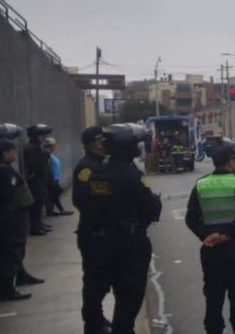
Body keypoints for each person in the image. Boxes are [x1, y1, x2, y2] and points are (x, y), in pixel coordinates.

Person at [78, 123, 162, 334]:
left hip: (104, 242)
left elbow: (90, 204)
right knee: (130, 294)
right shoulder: (131, 175)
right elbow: (150, 208)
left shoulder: (98, 173)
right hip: (130, 244)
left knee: (111, 287)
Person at [185, 145, 235, 334]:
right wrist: (225, 234)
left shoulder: (200, 184)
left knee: (213, 298)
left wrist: (207, 235)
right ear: (231, 162)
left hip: (211, 250)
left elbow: (191, 219)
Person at [0, 138, 41, 301]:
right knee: (9, 253)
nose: (15, 153)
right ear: (5, 154)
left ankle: (0, 287)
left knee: (0, 252)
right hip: (7, 218)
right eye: (12, 150)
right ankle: (7, 290)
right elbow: (7, 194)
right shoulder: (3, 171)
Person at [72, 126, 113, 334]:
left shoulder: (100, 163)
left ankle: (97, 318)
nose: (104, 142)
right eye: (101, 139)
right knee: (95, 281)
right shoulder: (86, 167)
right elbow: (80, 199)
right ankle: (92, 323)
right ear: (94, 143)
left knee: (102, 281)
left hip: (101, 233)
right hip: (93, 233)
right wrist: (100, 219)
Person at [23, 123, 53, 236]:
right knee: (36, 203)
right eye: (41, 136)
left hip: (41, 178)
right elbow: (33, 164)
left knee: (40, 202)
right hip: (35, 179)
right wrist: (44, 156)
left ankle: (39, 223)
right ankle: (34, 227)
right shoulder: (31, 148)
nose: (44, 138)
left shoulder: (37, 147)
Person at [44, 137, 72, 216]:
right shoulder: (47, 156)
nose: (55, 147)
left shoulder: (50, 155)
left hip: (55, 178)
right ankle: (54, 210)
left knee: (53, 195)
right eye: (53, 145)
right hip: (52, 179)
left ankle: (52, 211)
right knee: (55, 193)